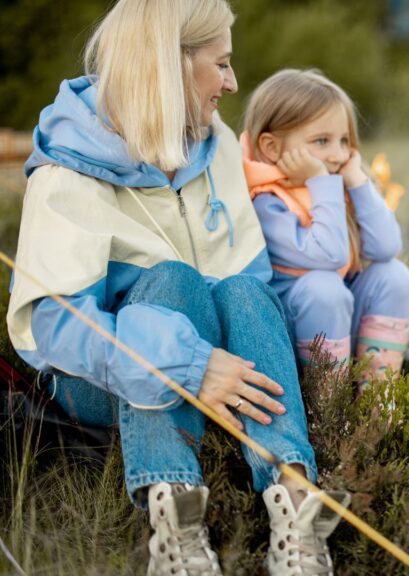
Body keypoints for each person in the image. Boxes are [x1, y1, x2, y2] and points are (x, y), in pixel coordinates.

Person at [7, 1, 346, 574]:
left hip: (213, 363)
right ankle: (175, 524)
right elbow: (57, 329)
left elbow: (250, 286)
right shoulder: (67, 171)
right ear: (170, 65)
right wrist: (190, 365)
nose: (233, 83)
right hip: (96, 381)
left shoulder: (213, 148)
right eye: (222, 64)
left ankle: (293, 504)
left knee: (243, 292)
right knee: (170, 280)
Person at [240, 69, 409, 388]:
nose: (337, 154)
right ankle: (327, 406)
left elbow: (386, 247)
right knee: (323, 287)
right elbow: (328, 255)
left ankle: (375, 397)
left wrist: (357, 179)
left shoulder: (336, 187)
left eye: (344, 140)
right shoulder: (267, 202)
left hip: (339, 325)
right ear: (272, 147)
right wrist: (323, 183)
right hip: (294, 334)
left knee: (394, 274)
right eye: (322, 141)